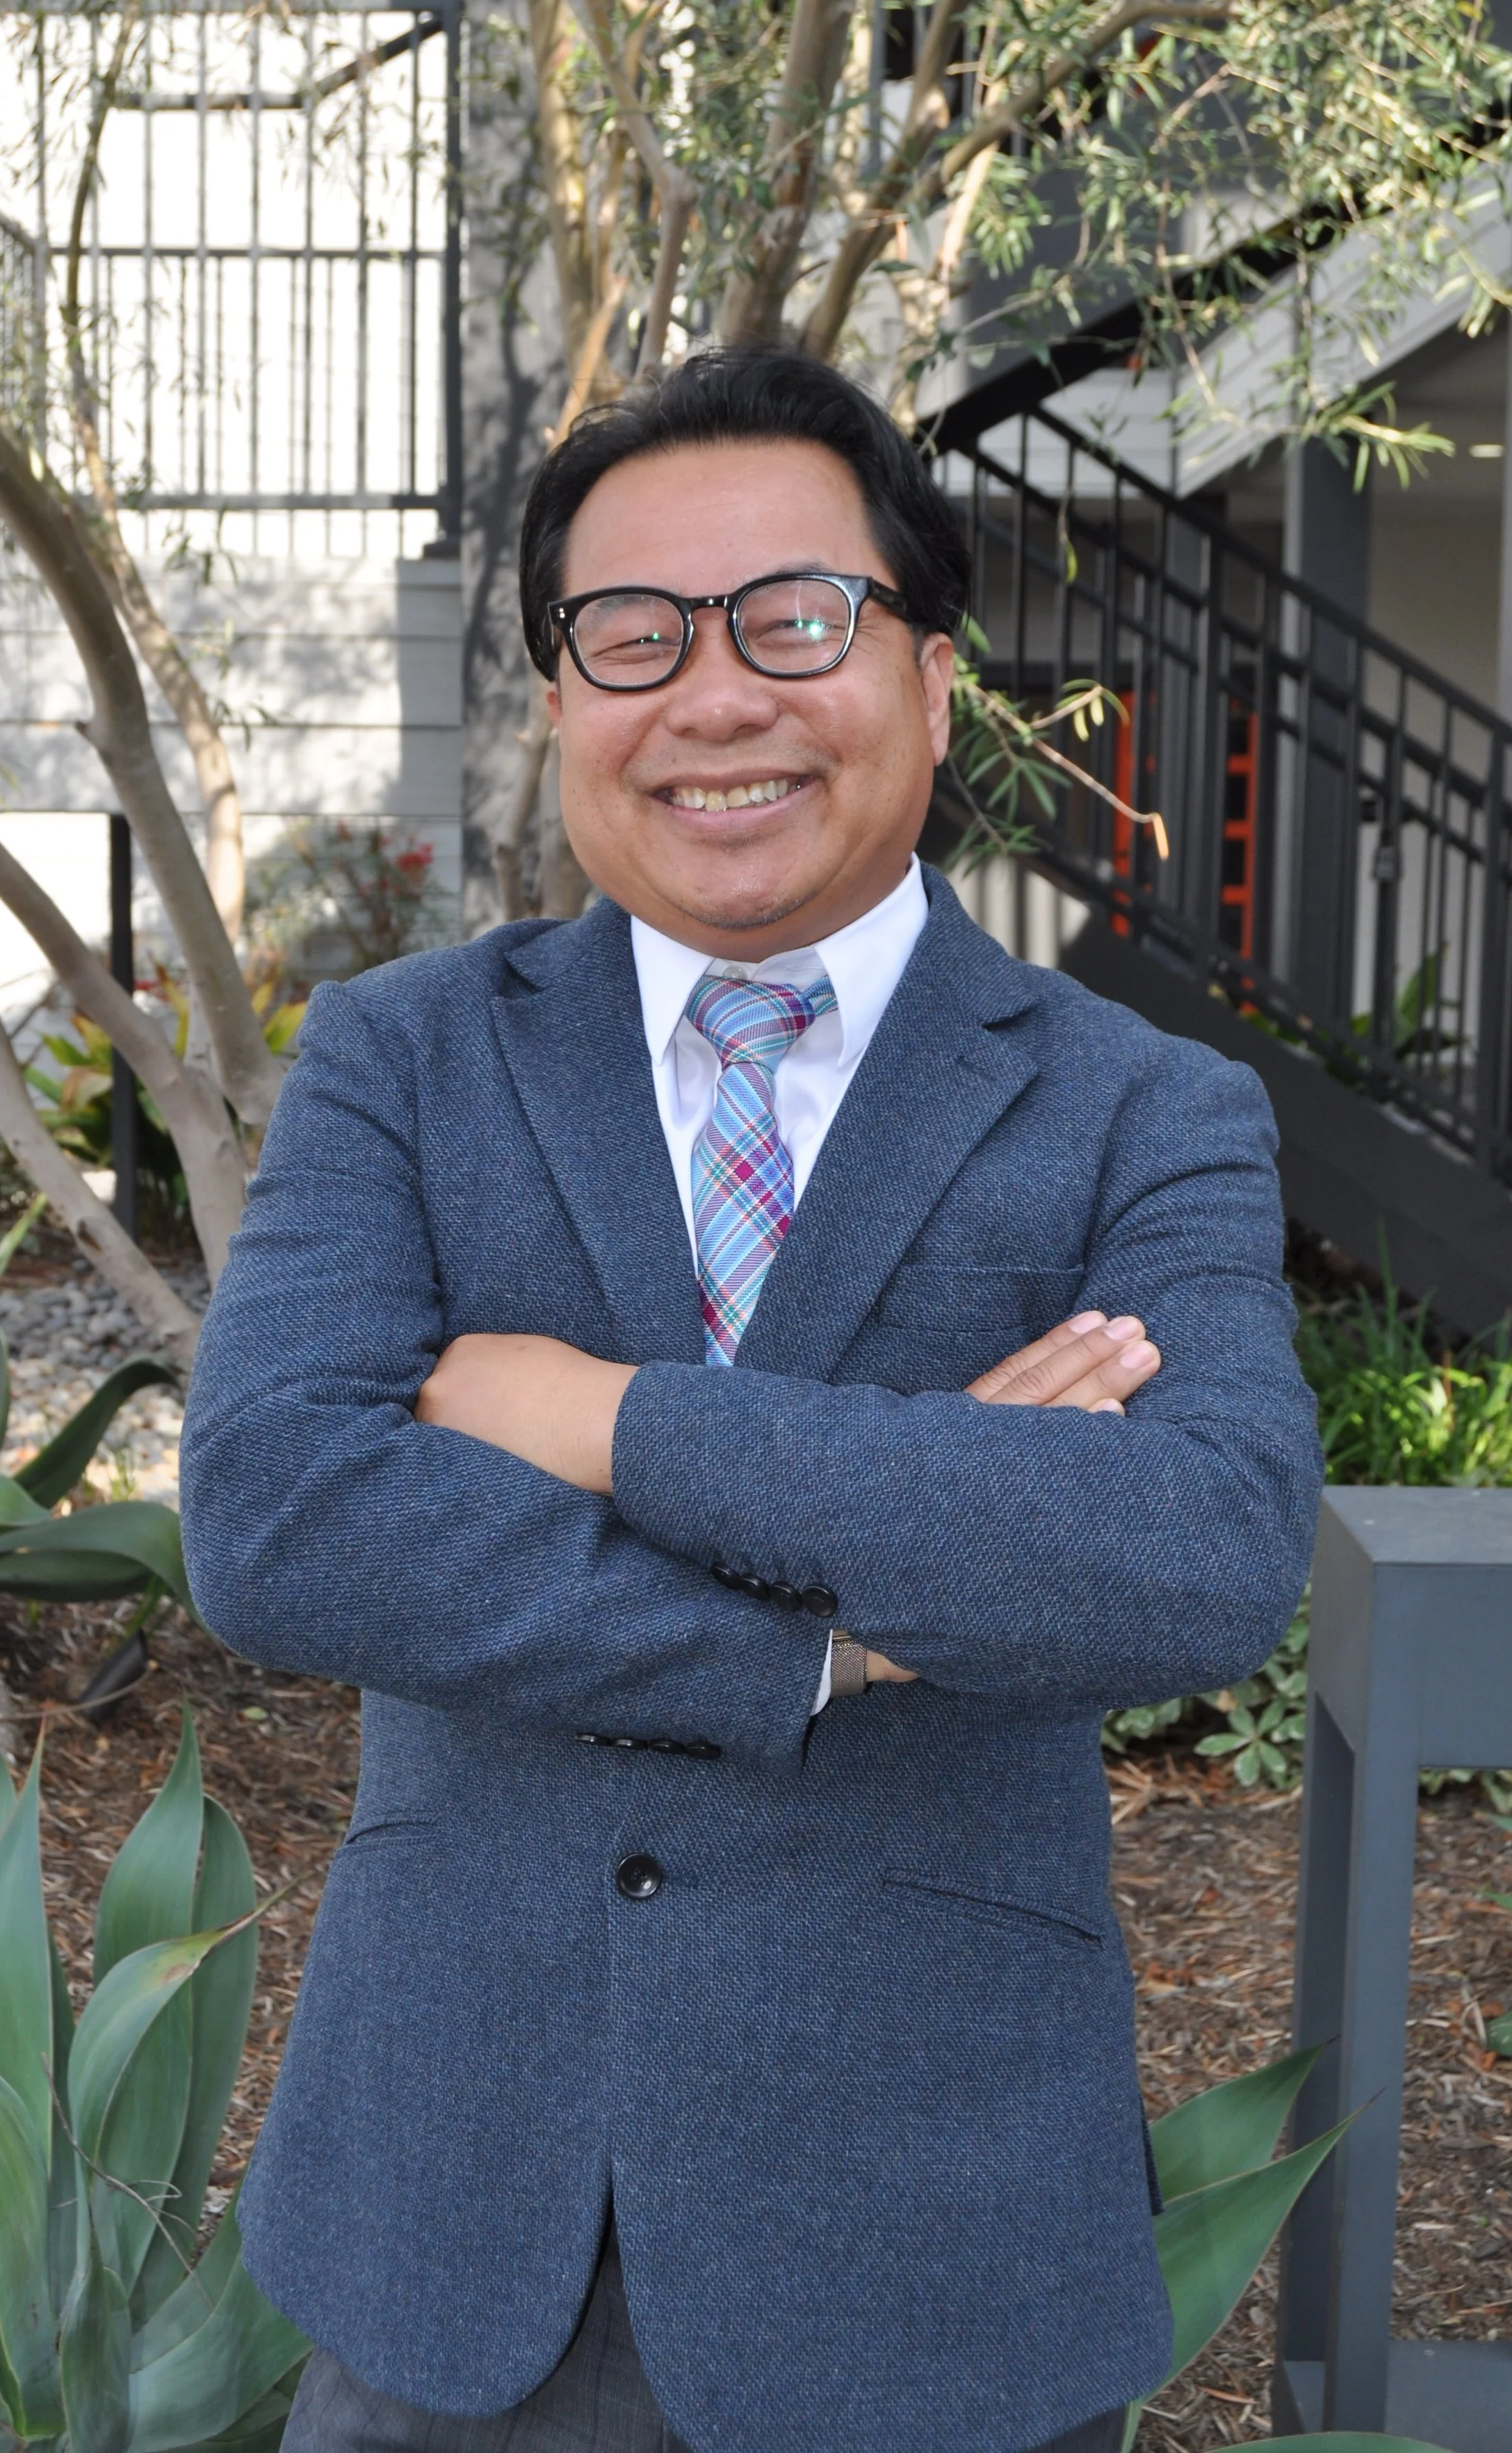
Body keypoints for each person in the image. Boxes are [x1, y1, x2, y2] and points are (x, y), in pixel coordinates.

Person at [181, 347, 1322, 2453]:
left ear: (929, 671)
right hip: (461, 2218)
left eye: (791, 618)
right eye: (631, 633)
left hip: (933, 2226)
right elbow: (273, 1512)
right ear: (556, 696)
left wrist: (603, 1416)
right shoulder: (401, 1059)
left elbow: (1196, 1552)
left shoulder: (1140, 1108)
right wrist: (830, 1629)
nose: (711, 696)